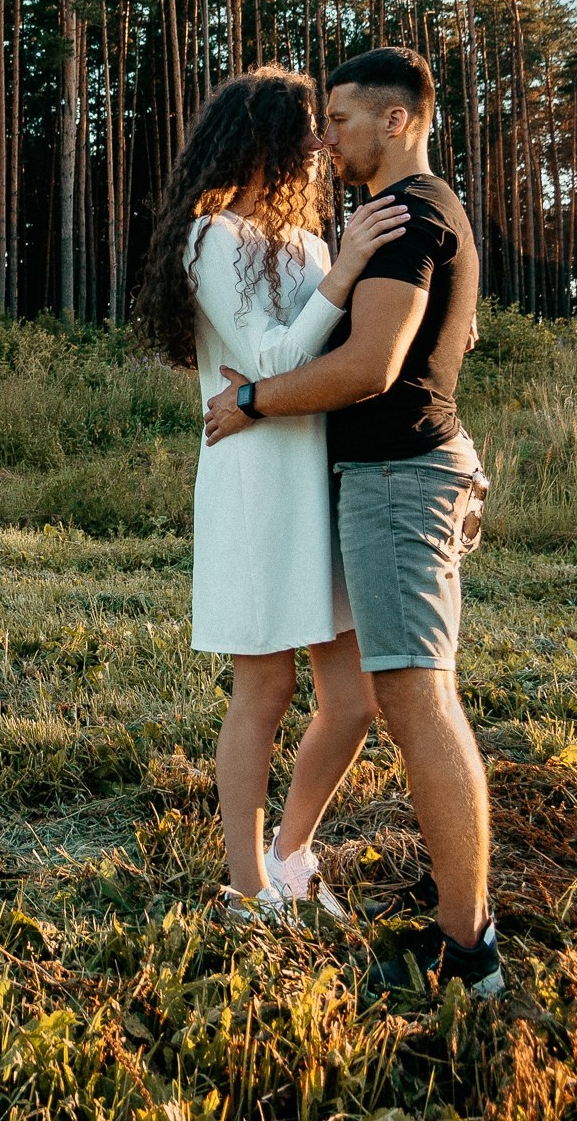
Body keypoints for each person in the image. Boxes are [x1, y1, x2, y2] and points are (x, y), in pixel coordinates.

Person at [201, 46, 502, 999]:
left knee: (402, 699)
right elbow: (349, 348)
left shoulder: (395, 220)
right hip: (337, 478)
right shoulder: (379, 223)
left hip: (384, 477)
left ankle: (455, 942)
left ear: (398, 120)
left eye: (338, 121)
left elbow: (375, 365)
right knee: (345, 693)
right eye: (314, 124)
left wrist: (255, 396)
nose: (326, 140)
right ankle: (270, 879)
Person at [134, 66, 409, 921]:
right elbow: (276, 361)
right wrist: (350, 265)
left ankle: (292, 855)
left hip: (322, 479)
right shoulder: (209, 237)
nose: (324, 146)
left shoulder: (313, 246)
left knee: (354, 699)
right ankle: (248, 886)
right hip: (254, 485)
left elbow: (341, 355)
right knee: (267, 690)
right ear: (270, 141)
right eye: (310, 131)